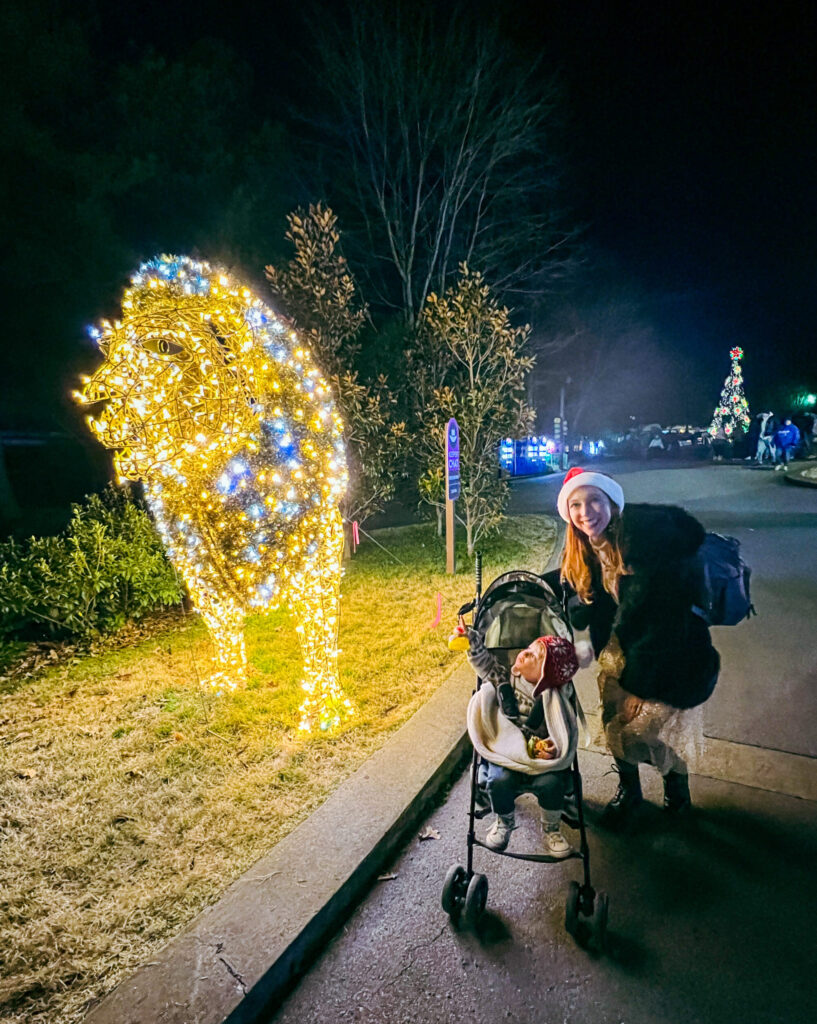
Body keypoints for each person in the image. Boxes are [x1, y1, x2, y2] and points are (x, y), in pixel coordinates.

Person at [556, 467, 720, 827]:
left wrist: (636, 686)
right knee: (614, 726)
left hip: (667, 658)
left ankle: (677, 796)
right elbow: (571, 590)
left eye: (594, 500)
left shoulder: (648, 545)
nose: (586, 513)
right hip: (620, 658)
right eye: (576, 505)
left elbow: (663, 621)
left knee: (646, 730)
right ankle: (630, 792)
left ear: (612, 502)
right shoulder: (586, 548)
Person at [462, 626, 583, 857]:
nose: (525, 653)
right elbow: (484, 663)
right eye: (528, 650)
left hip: (538, 756)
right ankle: (504, 821)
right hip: (506, 749)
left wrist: (553, 746)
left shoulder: (553, 696)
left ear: (546, 675)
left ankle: (552, 829)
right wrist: (472, 640)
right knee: (498, 780)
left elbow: (561, 730)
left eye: (535, 657)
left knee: (552, 783)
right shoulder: (503, 677)